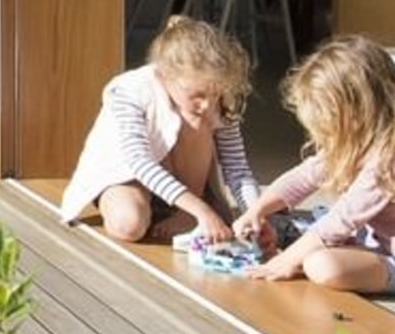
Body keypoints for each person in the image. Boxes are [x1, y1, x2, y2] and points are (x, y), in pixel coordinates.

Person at [232, 35, 395, 297]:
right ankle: (327, 251)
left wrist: (286, 261)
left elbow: (344, 216)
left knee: (321, 265)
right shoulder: (358, 139)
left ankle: (341, 259)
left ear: (358, 111)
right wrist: (258, 210)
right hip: (383, 241)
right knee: (290, 226)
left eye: (328, 120)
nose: (323, 132)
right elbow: (305, 176)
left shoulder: (393, 157)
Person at [60, 15, 260, 244]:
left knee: (196, 120)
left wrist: (255, 213)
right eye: (196, 95)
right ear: (165, 75)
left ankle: (185, 212)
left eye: (214, 94)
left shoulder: (217, 103)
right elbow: (139, 161)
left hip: (183, 179)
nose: (207, 104)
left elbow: (237, 168)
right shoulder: (130, 90)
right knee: (128, 225)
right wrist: (202, 211)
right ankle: (183, 209)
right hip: (128, 176)